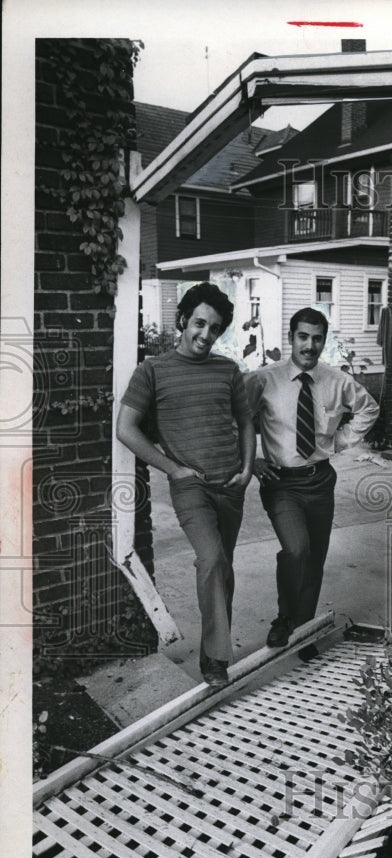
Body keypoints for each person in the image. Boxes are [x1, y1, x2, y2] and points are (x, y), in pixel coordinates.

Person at [116, 282, 255, 686]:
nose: (205, 335)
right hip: (191, 487)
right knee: (211, 559)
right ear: (183, 320)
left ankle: (216, 649)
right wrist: (172, 469)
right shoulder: (153, 371)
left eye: (214, 329)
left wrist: (246, 470)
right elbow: (126, 428)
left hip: (231, 485)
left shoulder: (227, 370)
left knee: (222, 567)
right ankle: (214, 660)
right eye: (199, 323)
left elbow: (246, 422)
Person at [246, 307, 380, 648]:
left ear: (324, 340)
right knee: (297, 550)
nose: (310, 345)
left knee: (315, 558)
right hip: (281, 483)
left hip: (320, 480)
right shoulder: (264, 379)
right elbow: (237, 420)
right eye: (303, 337)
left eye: (317, 338)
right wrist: (253, 461)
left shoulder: (337, 381)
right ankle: (284, 617)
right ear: (291, 338)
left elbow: (369, 408)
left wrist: (341, 440)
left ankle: (303, 631)